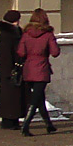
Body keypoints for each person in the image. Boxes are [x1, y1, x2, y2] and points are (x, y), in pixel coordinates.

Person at [16, 8, 61, 136]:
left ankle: (49, 125)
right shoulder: (47, 34)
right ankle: (26, 125)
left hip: (28, 69)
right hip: (41, 69)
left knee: (39, 98)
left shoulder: (26, 34)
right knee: (36, 99)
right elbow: (55, 52)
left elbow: (21, 52)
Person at [0, 9, 26, 130]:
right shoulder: (6, 34)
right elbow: (5, 54)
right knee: (8, 95)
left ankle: (14, 119)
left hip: (16, 67)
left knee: (16, 95)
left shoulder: (16, 32)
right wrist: (10, 69)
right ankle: (7, 120)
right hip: (9, 69)